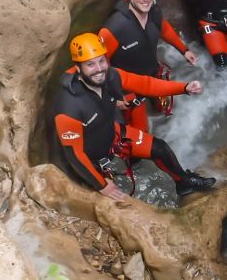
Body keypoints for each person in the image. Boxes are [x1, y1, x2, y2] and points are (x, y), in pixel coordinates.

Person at [47, 32, 216, 199]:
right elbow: (74, 154)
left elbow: (146, 85)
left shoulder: (111, 76)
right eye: (90, 65)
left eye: (101, 61)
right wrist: (103, 185)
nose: (99, 69)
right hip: (91, 158)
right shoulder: (67, 106)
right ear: (78, 68)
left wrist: (184, 88)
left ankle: (184, 183)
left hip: (112, 135)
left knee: (160, 149)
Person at [98, 0, 197, 132]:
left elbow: (164, 29)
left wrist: (184, 50)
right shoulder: (114, 28)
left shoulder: (154, 12)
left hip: (153, 73)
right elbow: (100, 65)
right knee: (140, 134)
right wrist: (112, 95)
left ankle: (164, 122)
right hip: (130, 88)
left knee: (166, 110)